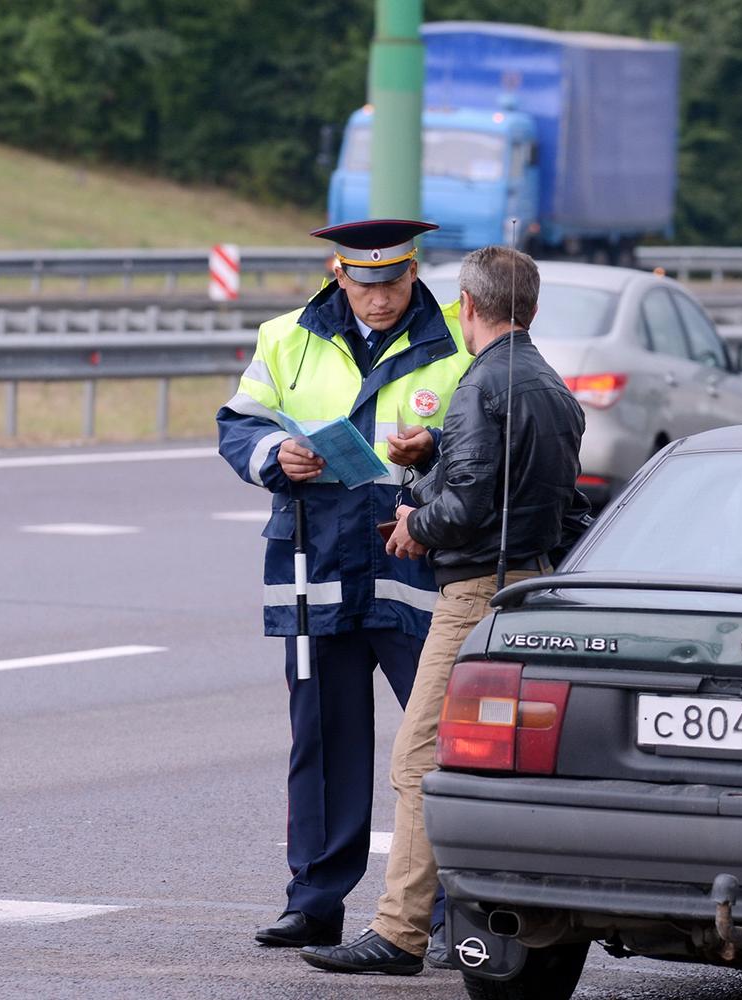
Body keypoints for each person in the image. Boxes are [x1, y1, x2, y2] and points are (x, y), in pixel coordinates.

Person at [300, 245, 590, 976]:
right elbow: (531, 494)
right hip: (531, 585)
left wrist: (413, 523)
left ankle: (400, 932)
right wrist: (434, 453)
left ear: (467, 304)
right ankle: (478, 917)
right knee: (493, 765)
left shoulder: (482, 383)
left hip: (471, 595)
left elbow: (469, 503)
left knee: (419, 759)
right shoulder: (550, 386)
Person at [217, 219, 473, 949]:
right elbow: (240, 423)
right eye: (365, 285)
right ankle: (315, 900)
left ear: (413, 273)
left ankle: (454, 908)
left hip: (414, 565)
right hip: (317, 562)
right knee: (322, 741)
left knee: (440, 747)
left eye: (393, 284)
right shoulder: (286, 336)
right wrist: (276, 453)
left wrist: (437, 446)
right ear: (338, 274)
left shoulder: (455, 338)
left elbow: (489, 434)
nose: (380, 300)